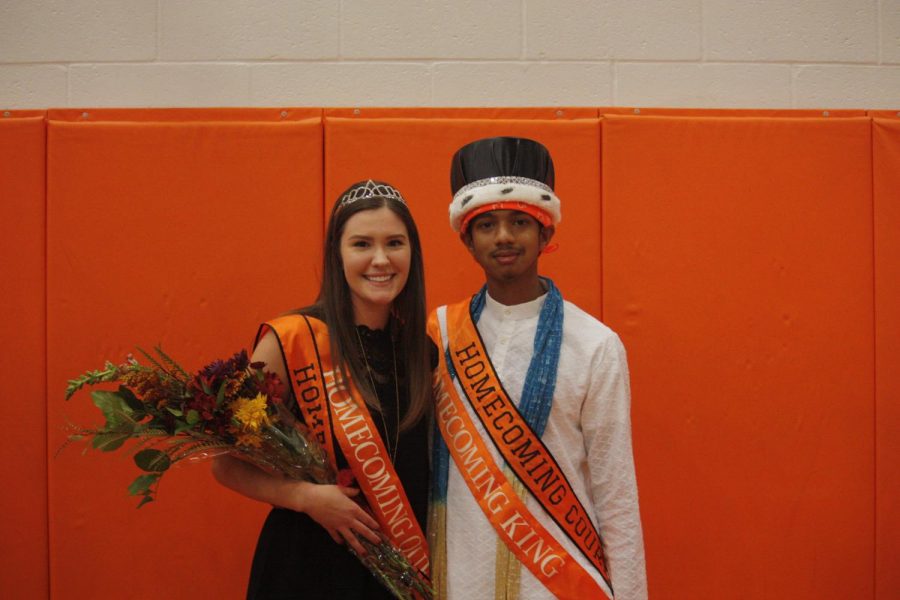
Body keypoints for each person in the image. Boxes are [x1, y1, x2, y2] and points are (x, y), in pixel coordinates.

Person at [428, 137, 648, 599]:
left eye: (520, 222)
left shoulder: (596, 345)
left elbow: (616, 494)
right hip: (461, 578)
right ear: (467, 239)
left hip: (557, 584)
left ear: (546, 234)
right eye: (486, 224)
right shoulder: (439, 335)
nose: (504, 237)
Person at [213, 179, 432, 600]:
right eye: (362, 244)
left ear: (412, 254)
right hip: (308, 569)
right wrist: (305, 497)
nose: (381, 260)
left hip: (396, 575)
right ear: (338, 254)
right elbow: (225, 464)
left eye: (395, 243)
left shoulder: (423, 353)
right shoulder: (292, 339)